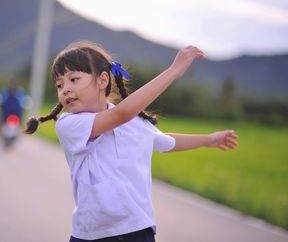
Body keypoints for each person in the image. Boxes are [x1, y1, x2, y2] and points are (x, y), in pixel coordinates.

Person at [25, 40, 239, 242]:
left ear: (102, 80)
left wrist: (207, 140)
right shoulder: (69, 124)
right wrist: (173, 71)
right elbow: (122, 114)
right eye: (59, 85)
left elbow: (165, 141)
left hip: (137, 230)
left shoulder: (134, 121)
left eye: (74, 79)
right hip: (91, 234)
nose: (66, 89)